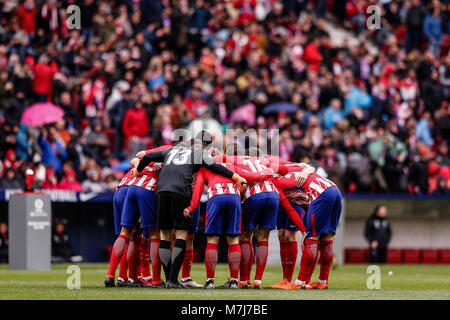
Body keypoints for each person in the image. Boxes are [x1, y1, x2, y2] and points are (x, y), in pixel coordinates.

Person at [134, 137, 247, 289]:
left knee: (165, 236)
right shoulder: (198, 153)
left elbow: (146, 157)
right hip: (181, 192)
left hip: (161, 192)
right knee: (181, 235)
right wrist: (235, 176)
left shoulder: (170, 150)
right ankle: (173, 280)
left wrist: (138, 170)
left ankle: (168, 279)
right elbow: (214, 167)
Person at [183, 150, 273, 289]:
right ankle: (233, 281)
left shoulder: (204, 168)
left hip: (216, 196)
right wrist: (268, 172)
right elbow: (251, 176)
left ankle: (210, 281)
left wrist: (191, 207)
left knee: (213, 239)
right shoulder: (231, 166)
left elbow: (198, 189)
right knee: (233, 239)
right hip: (234, 196)